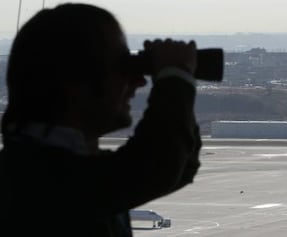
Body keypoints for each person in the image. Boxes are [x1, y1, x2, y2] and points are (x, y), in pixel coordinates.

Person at [0, 3, 201, 237]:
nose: (138, 82)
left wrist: (176, 81)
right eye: (122, 68)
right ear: (74, 81)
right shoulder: (38, 182)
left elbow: (179, 165)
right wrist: (175, 77)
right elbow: (157, 166)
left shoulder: (34, 166)